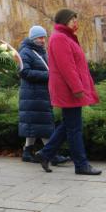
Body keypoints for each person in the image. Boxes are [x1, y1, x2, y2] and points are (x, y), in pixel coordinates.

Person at [35, 9, 102, 175]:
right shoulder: (59, 38)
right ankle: (81, 165)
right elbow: (67, 67)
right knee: (74, 128)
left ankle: (45, 153)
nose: (75, 23)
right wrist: (77, 88)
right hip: (69, 90)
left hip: (70, 88)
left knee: (69, 125)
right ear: (64, 21)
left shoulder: (64, 37)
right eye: (72, 20)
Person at [18, 26, 69, 166]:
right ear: (33, 38)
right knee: (44, 124)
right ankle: (51, 154)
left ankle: (27, 152)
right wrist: (49, 76)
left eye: (43, 37)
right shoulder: (26, 52)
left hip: (39, 94)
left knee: (34, 125)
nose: (42, 40)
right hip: (33, 94)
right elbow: (24, 72)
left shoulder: (40, 52)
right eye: (40, 37)